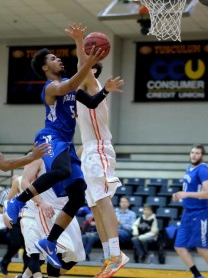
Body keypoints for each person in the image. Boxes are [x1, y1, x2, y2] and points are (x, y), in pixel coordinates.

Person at [3, 23, 120, 269]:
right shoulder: (51, 87)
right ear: (46, 67)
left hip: (65, 143)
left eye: (58, 57)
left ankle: (50, 241)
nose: (59, 60)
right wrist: (85, 54)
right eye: (54, 58)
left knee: (78, 195)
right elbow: (70, 84)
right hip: (50, 136)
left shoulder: (69, 83)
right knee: (63, 171)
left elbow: (90, 101)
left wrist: (106, 91)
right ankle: (18, 201)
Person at [66, 23, 128, 278]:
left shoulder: (92, 83)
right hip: (91, 151)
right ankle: (108, 257)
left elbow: (85, 68)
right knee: (94, 206)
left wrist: (80, 42)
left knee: (103, 201)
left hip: (100, 150)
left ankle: (117, 254)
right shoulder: (82, 94)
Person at [18, 158, 86, 278]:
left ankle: (25, 276)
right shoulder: (37, 159)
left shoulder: (66, 155)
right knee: (57, 250)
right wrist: (41, 202)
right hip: (48, 209)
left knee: (75, 255)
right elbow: (24, 183)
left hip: (67, 210)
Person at [173, 144, 208, 278]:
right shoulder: (189, 168)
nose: (194, 155)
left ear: (202, 156)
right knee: (179, 246)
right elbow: (190, 189)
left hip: (200, 213)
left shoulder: (203, 170)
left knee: (201, 248)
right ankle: (197, 275)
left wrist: (186, 194)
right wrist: (178, 195)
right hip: (187, 213)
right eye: (192, 152)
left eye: (197, 153)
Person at [0, 175, 30, 276]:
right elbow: (2, 206)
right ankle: (4, 263)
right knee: (15, 243)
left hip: (27, 219)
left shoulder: (27, 189)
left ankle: (25, 273)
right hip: (15, 220)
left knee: (28, 248)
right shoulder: (7, 192)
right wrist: (7, 214)